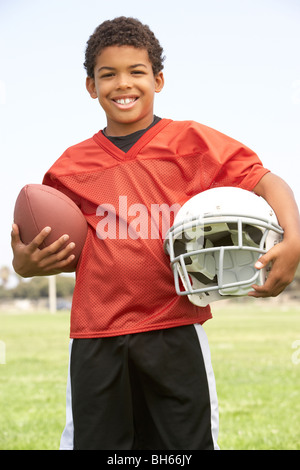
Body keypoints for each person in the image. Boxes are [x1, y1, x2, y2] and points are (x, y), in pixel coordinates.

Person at [11, 17, 300, 450]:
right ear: (90, 86)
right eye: (107, 74)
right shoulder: (69, 167)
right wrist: (24, 264)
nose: (122, 83)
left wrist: (293, 239)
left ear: (158, 79)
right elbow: (37, 244)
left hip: (175, 326)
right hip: (97, 336)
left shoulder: (192, 142)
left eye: (136, 71)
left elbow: (266, 181)